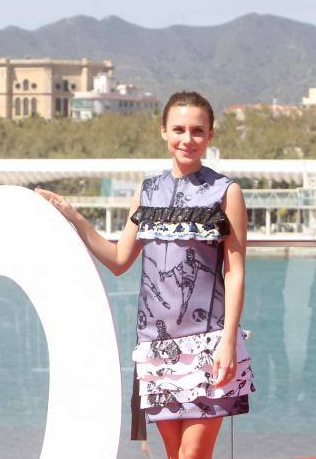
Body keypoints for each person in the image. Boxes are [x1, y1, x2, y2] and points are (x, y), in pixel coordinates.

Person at [36, 91, 253, 459]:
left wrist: (228, 340)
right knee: (174, 456)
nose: (188, 139)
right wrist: (73, 216)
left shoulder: (225, 192)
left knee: (192, 455)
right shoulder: (147, 191)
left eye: (198, 131)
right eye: (179, 129)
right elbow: (120, 259)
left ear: (211, 135)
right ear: (164, 133)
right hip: (155, 345)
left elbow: (235, 271)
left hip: (208, 342)